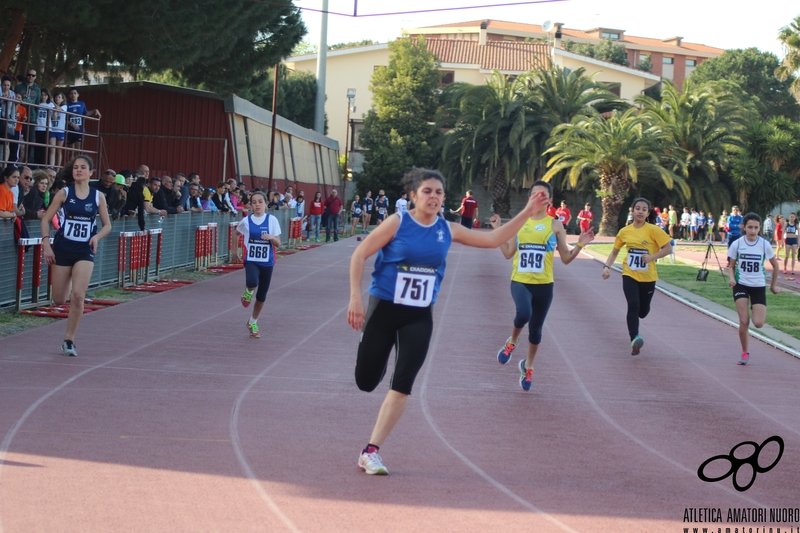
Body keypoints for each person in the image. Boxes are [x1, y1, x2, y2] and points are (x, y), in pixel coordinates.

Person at [347, 167, 548, 475]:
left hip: (419, 315)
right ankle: (378, 355)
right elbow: (360, 253)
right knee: (366, 381)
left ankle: (370, 451)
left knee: (403, 384)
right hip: (384, 308)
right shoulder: (397, 223)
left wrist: (526, 211)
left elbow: (494, 239)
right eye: (427, 191)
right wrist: (356, 298)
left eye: (439, 192)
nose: (434, 197)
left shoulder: (447, 229)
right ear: (414, 196)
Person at [491, 181, 594, 391]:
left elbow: (565, 258)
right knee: (523, 314)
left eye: (544, 195)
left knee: (536, 331)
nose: (539, 198)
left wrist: (581, 244)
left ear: (549, 200)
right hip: (520, 280)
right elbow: (508, 253)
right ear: (530, 198)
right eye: (535, 194)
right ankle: (511, 342)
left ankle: (527, 367)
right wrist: (497, 230)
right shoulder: (519, 222)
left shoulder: (555, 225)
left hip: (544, 285)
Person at [40, 155, 111, 356]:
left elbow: (107, 225)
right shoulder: (64, 193)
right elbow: (46, 219)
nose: (78, 170)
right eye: (76, 168)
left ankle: (69, 340)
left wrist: (96, 237)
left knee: (78, 296)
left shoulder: (98, 196)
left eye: (83, 168)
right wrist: (46, 244)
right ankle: (68, 282)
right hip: (63, 248)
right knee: (59, 300)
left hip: (84, 250)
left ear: (91, 173)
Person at [601, 198, 673, 356]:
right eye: (637, 208)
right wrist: (607, 267)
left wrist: (652, 257)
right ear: (632, 211)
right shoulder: (624, 231)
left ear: (648, 213)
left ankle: (637, 328)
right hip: (629, 274)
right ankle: (634, 339)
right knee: (633, 305)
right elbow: (614, 252)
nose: (640, 211)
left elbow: (668, 248)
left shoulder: (653, 230)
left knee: (642, 311)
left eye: (644, 209)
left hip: (648, 277)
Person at [727, 213, 781, 365]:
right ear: (744, 227)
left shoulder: (764, 244)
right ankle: (745, 352)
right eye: (750, 227)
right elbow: (730, 267)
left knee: (758, 323)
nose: (753, 230)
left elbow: (775, 266)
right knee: (744, 321)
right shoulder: (737, 244)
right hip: (741, 284)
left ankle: (756, 308)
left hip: (758, 286)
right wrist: (732, 278)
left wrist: (773, 286)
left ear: (759, 228)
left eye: (756, 227)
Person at [237, 191, 281, 339]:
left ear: (266, 204)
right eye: (254, 202)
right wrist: (233, 251)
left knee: (262, 296)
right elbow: (237, 233)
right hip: (252, 259)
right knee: (252, 282)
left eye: (260, 201)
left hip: (267, 262)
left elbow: (278, 244)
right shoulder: (246, 221)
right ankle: (248, 292)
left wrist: (271, 238)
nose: (257, 205)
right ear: (250, 205)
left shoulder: (272, 220)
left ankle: (253, 322)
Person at [66, 87, 101, 153]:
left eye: (75, 93)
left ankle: (79, 162)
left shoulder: (82, 104)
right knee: (71, 151)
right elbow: (63, 118)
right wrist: (71, 123)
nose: (73, 95)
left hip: (79, 130)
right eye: (71, 93)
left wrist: (94, 111)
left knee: (78, 149)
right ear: (69, 95)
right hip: (70, 130)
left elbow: (85, 113)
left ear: (78, 95)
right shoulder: (66, 104)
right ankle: (72, 163)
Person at [34, 88, 54, 166]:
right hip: (38, 127)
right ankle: (36, 163)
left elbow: (54, 116)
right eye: (42, 95)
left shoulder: (50, 104)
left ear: (48, 96)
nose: (43, 97)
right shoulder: (38, 104)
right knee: (37, 146)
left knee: (45, 147)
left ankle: (43, 163)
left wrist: (52, 101)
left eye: (45, 95)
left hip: (47, 128)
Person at [48, 92, 67, 167]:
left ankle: (58, 168)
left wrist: (53, 102)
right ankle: (51, 166)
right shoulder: (51, 106)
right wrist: (54, 111)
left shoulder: (64, 106)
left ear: (62, 99)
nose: (57, 98)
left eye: (59, 97)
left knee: (59, 150)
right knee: (52, 149)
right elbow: (54, 117)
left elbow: (59, 109)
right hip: (53, 130)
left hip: (60, 130)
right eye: (56, 97)